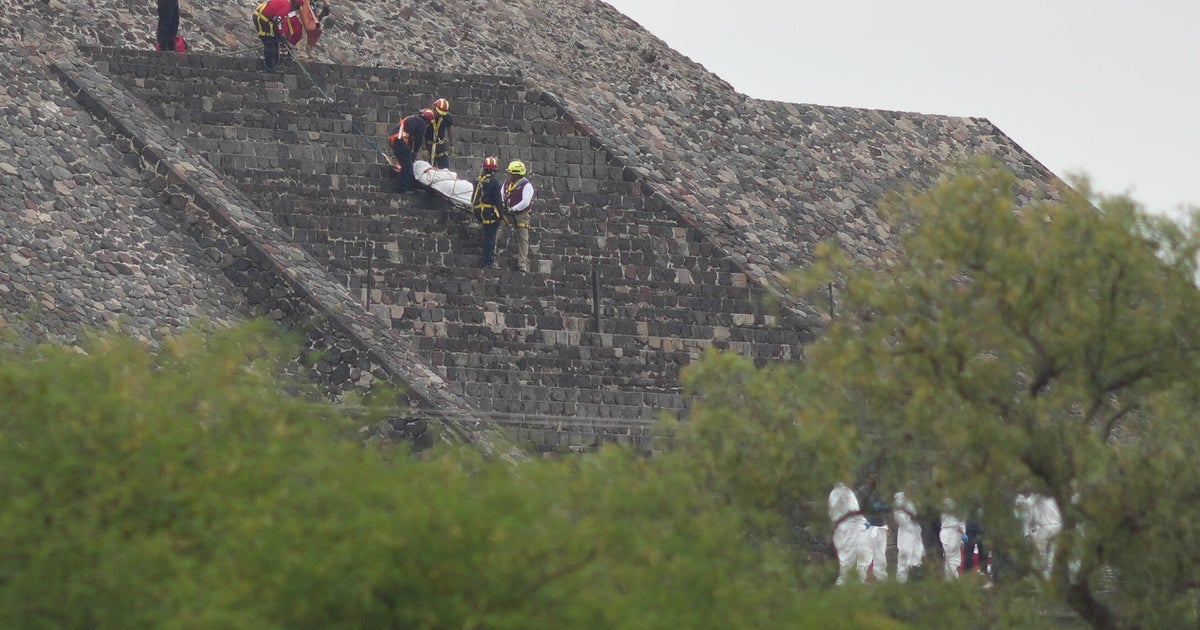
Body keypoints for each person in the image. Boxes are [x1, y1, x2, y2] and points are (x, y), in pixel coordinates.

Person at [828, 482, 867, 586]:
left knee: (849, 555)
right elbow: (853, 511)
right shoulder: (842, 494)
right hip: (847, 529)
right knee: (848, 556)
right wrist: (865, 523)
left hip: (846, 528)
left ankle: (853, 581)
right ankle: (842, 583)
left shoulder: (840, 493)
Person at [388, 109, 433, 194]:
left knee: (407, 164)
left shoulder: (411, 119)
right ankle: (401, 189)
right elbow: (419, 139)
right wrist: (415, 152)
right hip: (400, 141)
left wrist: (410, 153)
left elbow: (411, 138)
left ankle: (410, 186)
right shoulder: (422, 123)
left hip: (394, 139)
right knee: (407, 166)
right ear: (428, 120)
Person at [253, 0, 303, 72]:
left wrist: (280, 36)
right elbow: (276, 20)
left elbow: (277, 21)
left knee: (275, 41)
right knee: (270, 42)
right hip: (262, 19)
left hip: (267, 19)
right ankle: (269, 67)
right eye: (297, 7)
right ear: (294, 4)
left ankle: (273, 66)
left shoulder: (285, 3)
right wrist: (281, 35)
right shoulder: (287, 6)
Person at [472, 157, 504, 268]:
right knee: (490, 237)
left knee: (486, 234)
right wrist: (501, 216)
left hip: (477, 211)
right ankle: (487, 262)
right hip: (488, 212)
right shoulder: (494, 182)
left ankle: (486, 260)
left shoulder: (477, 179)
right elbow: (497, 200)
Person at [503, 160, 535, 272]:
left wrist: (514, 209)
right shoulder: (507, 183)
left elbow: (526, 202)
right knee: (498, 226)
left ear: (516, 174)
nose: (508, 174)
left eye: (510, 173)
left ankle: (522, 264)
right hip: (507, 213)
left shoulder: (526, 186)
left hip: (522, 215)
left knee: (523, 238)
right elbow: (501, 194)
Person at [856, 475, 889, 582]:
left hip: (880, 527)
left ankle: (882, 581)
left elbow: (887, 506)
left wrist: (878, 507)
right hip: (868, 528)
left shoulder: (878, 492)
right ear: (866, 479)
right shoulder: (862, 492)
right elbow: (868, 507)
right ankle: (859, 582)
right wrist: (876, 507)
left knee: (881, 559)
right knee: (864, 559)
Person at [893, 491, 925, 583]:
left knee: (917, 557)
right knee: (905, 558)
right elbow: (899, 517)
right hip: (906, 532)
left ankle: (914, 580)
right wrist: (910, 520)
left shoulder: (914, 500)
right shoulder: (900, 500)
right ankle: (901, 582)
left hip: (916, 530)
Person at [424, 98, 454, 169]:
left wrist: (451, 145)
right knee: (429, 170)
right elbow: (421, 133)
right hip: (429, 145)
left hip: (440, 146)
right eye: (438, 112)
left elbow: (450, 130)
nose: (440, 115)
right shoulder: (426, 116)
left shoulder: (447, 117)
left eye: (442, 113)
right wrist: (424, 149)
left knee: (445, 170)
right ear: (434, 108)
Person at [939, 499, 966, 579]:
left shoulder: (944, 502)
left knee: (949, 558)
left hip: (946, 531)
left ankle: (949, 579)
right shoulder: (955, 503)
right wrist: (963, 533)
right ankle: (953, 579)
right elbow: (959, 522)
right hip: (952, 532)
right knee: (952, 558)